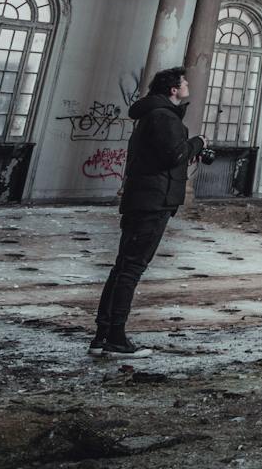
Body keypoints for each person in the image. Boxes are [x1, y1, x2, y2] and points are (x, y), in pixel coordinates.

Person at [90, 66, 207, 357]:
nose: (187, 85)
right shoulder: (164, 117)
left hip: (143, 198)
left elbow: (164, 157)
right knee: (131, 270)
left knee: (122, 267)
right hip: (153, 202)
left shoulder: (151, 116)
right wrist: (198, 143)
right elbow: (175, 155)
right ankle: (116, 338)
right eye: (184, 82)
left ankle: (102, 336)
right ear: (173, 90)